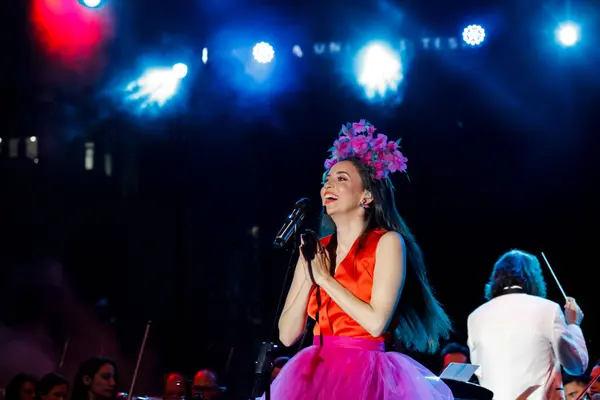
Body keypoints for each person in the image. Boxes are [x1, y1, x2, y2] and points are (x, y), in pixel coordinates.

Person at [271, 120, 453, 399]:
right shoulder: (315, 250)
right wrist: (309, 278)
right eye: (326, 180)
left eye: (341, 179)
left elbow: (376, 323)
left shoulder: (388, 242)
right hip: (315, 372)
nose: (328, 185)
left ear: (366, 196)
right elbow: (285, 336)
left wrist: (325, 280)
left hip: (366, 371)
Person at [467, 249, 588, 400]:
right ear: (534, 278)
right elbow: (576, 366)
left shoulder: (474, 317)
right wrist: (573, 325)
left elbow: (480, 371)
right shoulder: (548, 309)